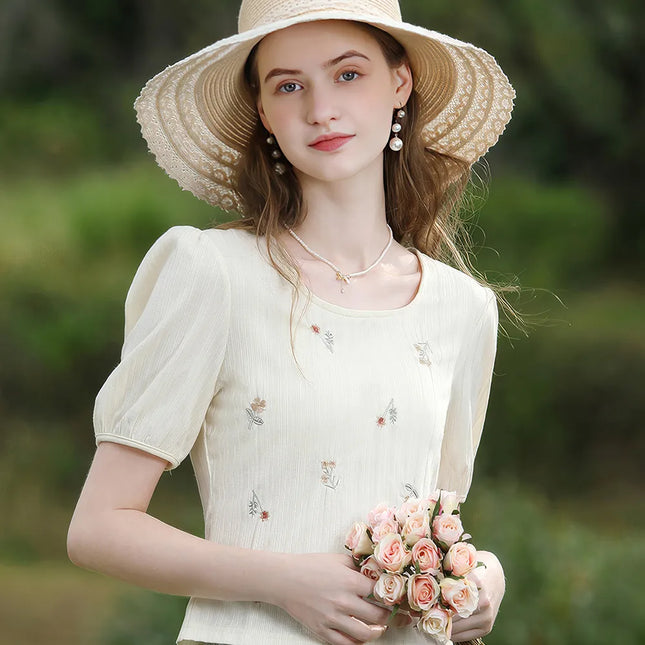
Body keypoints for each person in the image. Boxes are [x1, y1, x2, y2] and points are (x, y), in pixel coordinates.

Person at [67, 1, 515, 644]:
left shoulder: (461, 309)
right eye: (289, 85)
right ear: (263, 112)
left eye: (349, 75)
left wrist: (485, 576)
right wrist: (284, 582)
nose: (320, 109)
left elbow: (431, 520)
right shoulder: (213, 274)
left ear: (400, 82)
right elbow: (99, 527)